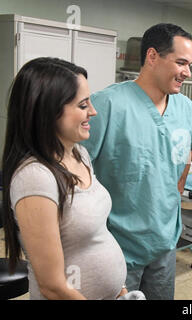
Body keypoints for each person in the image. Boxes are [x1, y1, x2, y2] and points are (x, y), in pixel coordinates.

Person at [81, 23, 192, 300]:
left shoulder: (187, 110)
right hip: (115, 248)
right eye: (181, 62)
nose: (187, 72)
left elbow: (184, 163)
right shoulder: (107, 106)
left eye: (189, 64)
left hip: (164, 244)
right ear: (152, 57)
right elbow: (77, 175)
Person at [1, 57, 127, 299]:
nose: (93, 111)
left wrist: (119, 288)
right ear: (49, 112)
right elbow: (53, 286)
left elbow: (98, 233)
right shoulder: (35, 178)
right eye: (82, 105)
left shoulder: (79, 153)